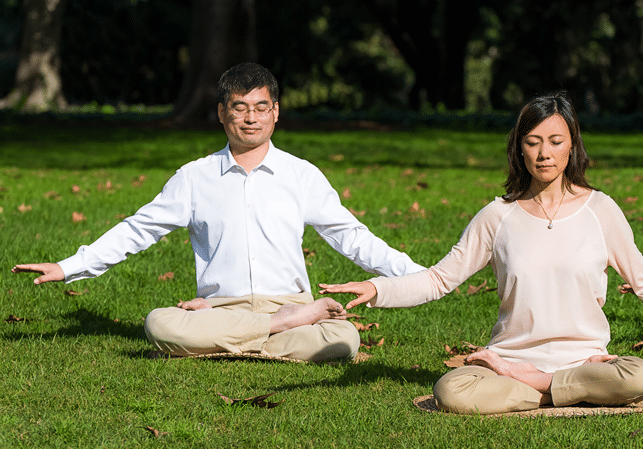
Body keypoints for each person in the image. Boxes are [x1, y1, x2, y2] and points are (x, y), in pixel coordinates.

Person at [318, 92, 643, 414]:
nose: (544, 152)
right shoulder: (498, 216)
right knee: (454, 389)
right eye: (533, 141)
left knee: (640, 375)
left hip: (587, 359)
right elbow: (439, 279)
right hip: (511, 359)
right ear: (519, 147)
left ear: (572, 145)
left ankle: (538, 387)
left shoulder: (600, 210)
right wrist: (376, 288)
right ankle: (557, 388)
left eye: (555, 140)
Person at [11, 63, 425, 362]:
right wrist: (71, 266)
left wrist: (420, 276)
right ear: (222, 113)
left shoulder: (302, 175)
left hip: (289, 303)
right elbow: (140, 229)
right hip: (225, 308)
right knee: (159, 323)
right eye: (239, 107)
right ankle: (274, 335)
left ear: (276, 112)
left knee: (343, 338)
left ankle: (237, 339)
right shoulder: (195, 177)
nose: (250, 118)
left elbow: (350, 236)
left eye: (261, 107)